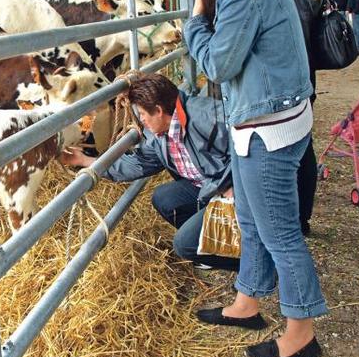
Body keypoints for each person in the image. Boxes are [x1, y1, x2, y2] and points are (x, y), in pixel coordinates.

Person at [176, 0, 327, 357]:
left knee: (279, 231)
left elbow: (219, 66)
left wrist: (196, 23)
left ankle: (301, 330)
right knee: (249, 217)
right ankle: (248, 301)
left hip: (267, 128)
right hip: (267, 118)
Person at [60, 72, 236, 270]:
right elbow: (136, 165)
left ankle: (250, 264)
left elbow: (252, 149)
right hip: (206, 188)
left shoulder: (210, 118)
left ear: (159, 110)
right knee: (164, 198)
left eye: (142, 114)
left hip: (235, 189)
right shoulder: (159, 136)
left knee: (184, 243)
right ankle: (219, 248)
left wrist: (233, 187)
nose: (141, 121)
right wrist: (85, 161)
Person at [254, 0, 323, 236]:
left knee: (280, 149)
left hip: (278, 72)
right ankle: (303, 218)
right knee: (303, 143)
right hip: (306, 72)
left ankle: (284, 220)